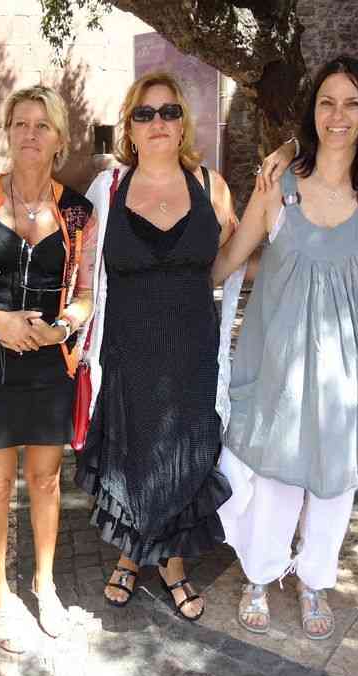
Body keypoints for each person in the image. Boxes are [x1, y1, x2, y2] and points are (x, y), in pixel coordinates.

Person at [211, 57, 358, 638]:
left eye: (352, 103)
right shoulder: (279, 184)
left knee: (332, 479)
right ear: (311, 111)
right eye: (326, 102)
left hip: (346, 367)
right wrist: (167, 292)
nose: (338, 115)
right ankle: (261, 573)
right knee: (275, 475)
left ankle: (315, 579)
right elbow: (233, 255)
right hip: (278, 363)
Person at [0, 86, 97, 652]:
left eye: (42, 125)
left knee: (47, 481)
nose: (31, 134)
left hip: (49, 363)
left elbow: (86, 294)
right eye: (21, 123)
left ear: (59, 139)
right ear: (7, 132)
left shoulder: (77, 211)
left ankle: (44, 585)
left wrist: (63, 328)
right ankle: (2, 597)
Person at [75, 71, 239, 622]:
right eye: (144, 114)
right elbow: (85, 273)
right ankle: (130, 556)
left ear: (183, 122)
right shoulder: (109, 189)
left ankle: (170, 563)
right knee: (132, 458)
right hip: (128, 352)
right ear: (130, 126)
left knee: (182, 456)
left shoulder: (211, 185)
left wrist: (271, 216)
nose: (158, 123)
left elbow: (227, 260)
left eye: (169, 111)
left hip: (191, 353)